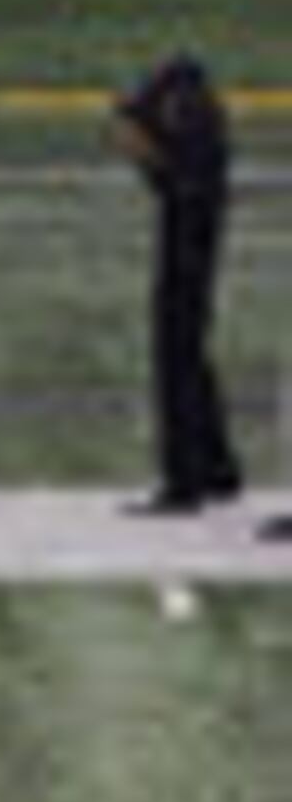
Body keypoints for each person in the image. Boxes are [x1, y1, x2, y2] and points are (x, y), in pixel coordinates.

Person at [115, 54, 241, 515]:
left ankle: (185, 479)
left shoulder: (195, 141)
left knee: (176, 358)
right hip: (195, 250)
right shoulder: (207, 134)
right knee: (191, 355)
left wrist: (144, 155)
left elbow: (176, 189)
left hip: (187, 255)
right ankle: (217, 467)